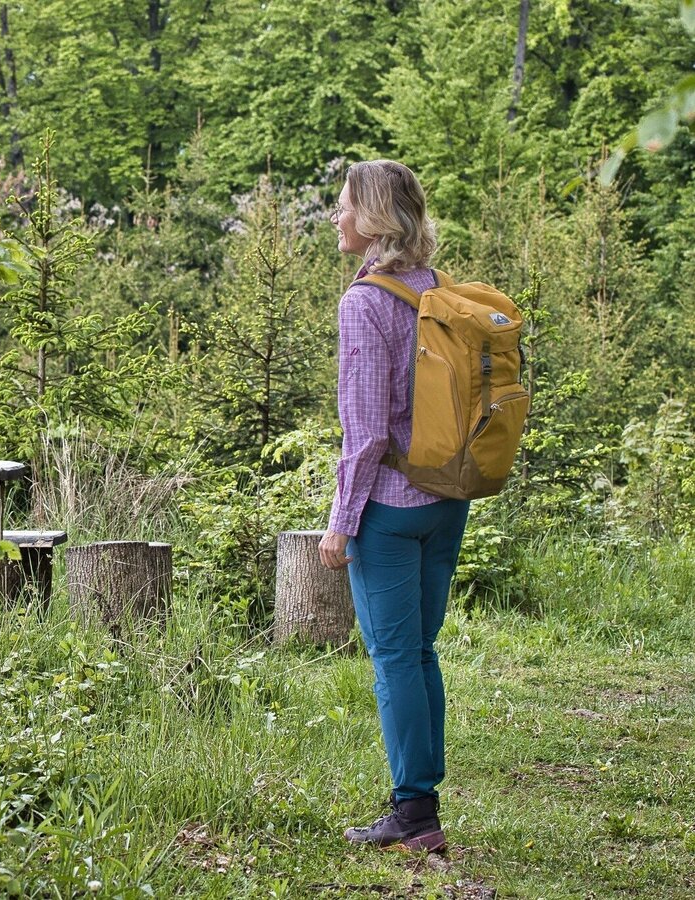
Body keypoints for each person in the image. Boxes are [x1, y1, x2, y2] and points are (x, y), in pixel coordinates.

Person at [318, 160, 470, 853]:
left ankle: (413, 813)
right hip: (446, 497)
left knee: (394, 659)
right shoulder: (434, 289)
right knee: (420, 651)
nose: (337, 216)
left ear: (375, 218)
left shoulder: (365, 302)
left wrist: (340, 523)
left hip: (390, 508)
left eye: (345, 205)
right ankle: (422, 801)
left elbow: (366, 432)